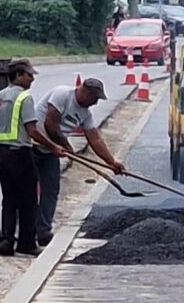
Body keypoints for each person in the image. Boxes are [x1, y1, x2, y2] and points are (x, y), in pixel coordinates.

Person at [0, 59, 64, 256]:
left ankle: (7, 241)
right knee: (28, 200)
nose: (32, 79)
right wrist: (53, 147)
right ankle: (26, 243)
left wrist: (1, 131)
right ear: (18, 75)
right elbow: (32, 130)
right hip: (21, 156)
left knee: (9, 199)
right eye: (29, 75)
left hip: (2, 155)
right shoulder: (24, 98)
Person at [33, 79, 126, 246]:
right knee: (27, 191)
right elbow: (50, 125)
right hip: (31, 146)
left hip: (51, 153)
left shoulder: (86, 113)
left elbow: (95, 139)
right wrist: (66, 145)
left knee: (51, 190)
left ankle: (43, 231)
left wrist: (111, 162)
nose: (96, 103)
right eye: (95, 98)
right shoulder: (62, 94)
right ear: (85, 92)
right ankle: (25, 231)